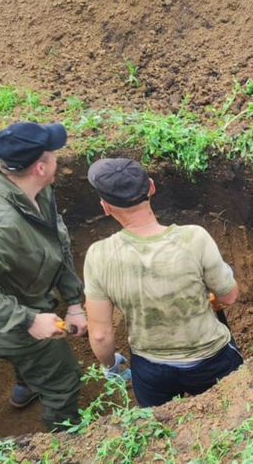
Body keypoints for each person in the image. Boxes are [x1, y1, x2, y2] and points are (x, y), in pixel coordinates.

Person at [0, 122, 86, 430]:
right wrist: (29, 321)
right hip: (5, 324)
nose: (57, 160)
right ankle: (64, 437)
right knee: (63, 379)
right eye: (53, 156)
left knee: (35, 362)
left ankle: (27, 386)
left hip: (28, 299)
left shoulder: (36, 191)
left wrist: (74, 302)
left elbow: (56, 242)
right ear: (39, 167)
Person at [83, 158, 243, 407]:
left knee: (161, 431)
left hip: (152, 371)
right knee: (232, 412)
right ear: (152, 187)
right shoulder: (195, 238)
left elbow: (101, 336)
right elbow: (229, 297)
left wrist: (110, 365)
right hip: (212, 359)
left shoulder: (98, 255)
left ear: (105, 207)